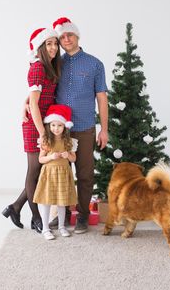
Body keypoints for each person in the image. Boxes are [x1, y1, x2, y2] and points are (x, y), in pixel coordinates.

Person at [49, 17, 108, 233]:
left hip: (85, 128)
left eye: (69, 35)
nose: (66, 39)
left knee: (85, 174)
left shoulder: (94, 64)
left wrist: (104, 129)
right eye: (62, 37)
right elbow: (43, 88)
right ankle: (62, 215)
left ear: (77, 36)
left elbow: (102, 98)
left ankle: (83, 215)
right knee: (61, 172)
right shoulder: (57, 63)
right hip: (60, 130)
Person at [2, 27, 61, 233]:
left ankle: (15, 207)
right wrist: (42, 133)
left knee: (39, 170)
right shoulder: (37, 68)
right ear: (40, 47)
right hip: (35, 126)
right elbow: (34, 105)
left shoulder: (50, 67)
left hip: (44, 124)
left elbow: (37, 99)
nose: (53, 48)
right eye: (49, 44)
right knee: (34, 171)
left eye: (55, 43)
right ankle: (36, 218)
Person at [33, 104, 77, 240]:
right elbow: (41, 159)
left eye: (59, 125)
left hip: (63, 173)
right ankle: (46, 228)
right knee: (46, 201)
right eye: (53, 125)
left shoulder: (68, 141)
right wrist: (51, 157)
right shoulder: (46, 141)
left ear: (65, 127)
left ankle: (61, 226)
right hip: (49, 174)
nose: (56, 128)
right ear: (49, 125)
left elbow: (73, 158)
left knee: (61, 202)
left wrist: (67, 156)